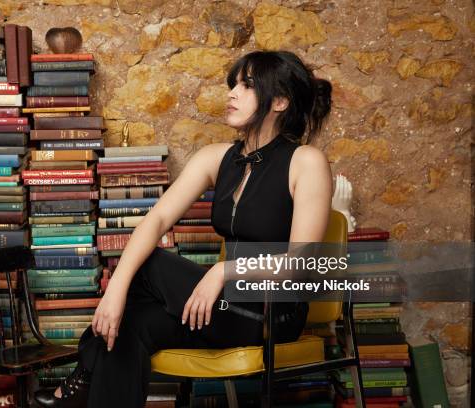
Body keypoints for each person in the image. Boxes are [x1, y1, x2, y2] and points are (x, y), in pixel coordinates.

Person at [33, 49, 333, 408]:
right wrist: (113, 295)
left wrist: (224, 270)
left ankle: (79, 381)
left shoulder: (306, 162)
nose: (232, 93)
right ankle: (84, 385)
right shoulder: (216, 157)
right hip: (223, 309)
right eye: (233, 84)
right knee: (131, 326)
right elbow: (156, 220)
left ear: (280, 101)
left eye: (247, 86)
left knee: (152, 263)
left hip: (271, 312)